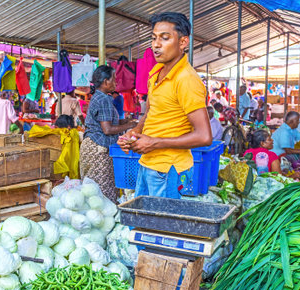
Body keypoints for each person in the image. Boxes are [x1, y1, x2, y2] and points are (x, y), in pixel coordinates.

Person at [118, 12, 212, 199]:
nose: (156, 44)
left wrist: (153, 142)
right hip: (148, 164)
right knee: (145, 223)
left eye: (165, 38)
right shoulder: (156, 72)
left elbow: (204, 136)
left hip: (170, 170)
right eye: (153, 38)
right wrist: (135, 132)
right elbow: (151, 112)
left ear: (183, 42)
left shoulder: (187, 79)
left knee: (163, 227)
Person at [80, 65, 137, 202]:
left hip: (92, 146)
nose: (116, 83)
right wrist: (130, 125)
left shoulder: (99, 97)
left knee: (93, 191)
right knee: (102, 193)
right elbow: (107, 129)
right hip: (98, 149)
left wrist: (127, 121)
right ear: (106, 82)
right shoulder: (104, 99)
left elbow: (109, 122)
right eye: (114, 79)